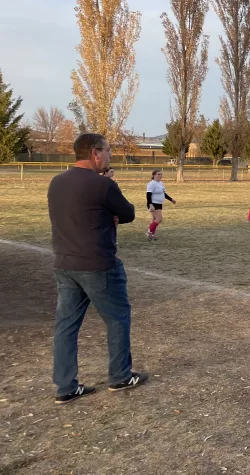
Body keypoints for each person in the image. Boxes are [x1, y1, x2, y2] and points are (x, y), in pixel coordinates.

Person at [47, 133, 147, 404]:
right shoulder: (103, 185)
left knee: (66, 327)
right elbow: (128, 213)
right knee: (117, 318)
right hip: (98, 265)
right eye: (108, 151)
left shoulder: (56, 182)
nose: (110, 156)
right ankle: (120, 376)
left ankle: (65, 386)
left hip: (65, 264)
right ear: (94, 153)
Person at [145, 169, 176, 241]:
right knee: (159, 219)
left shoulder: (160, 183)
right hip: (153, 203)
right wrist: (150, 204)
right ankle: (149, 232)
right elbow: (148, 195)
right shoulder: (151, 184)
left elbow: (163, 193)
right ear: (154, 175)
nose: (160, 176)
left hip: (159, 203)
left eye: (161, 174)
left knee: (155, 219)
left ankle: (152, 234)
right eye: (158, 174)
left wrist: (171, 199)